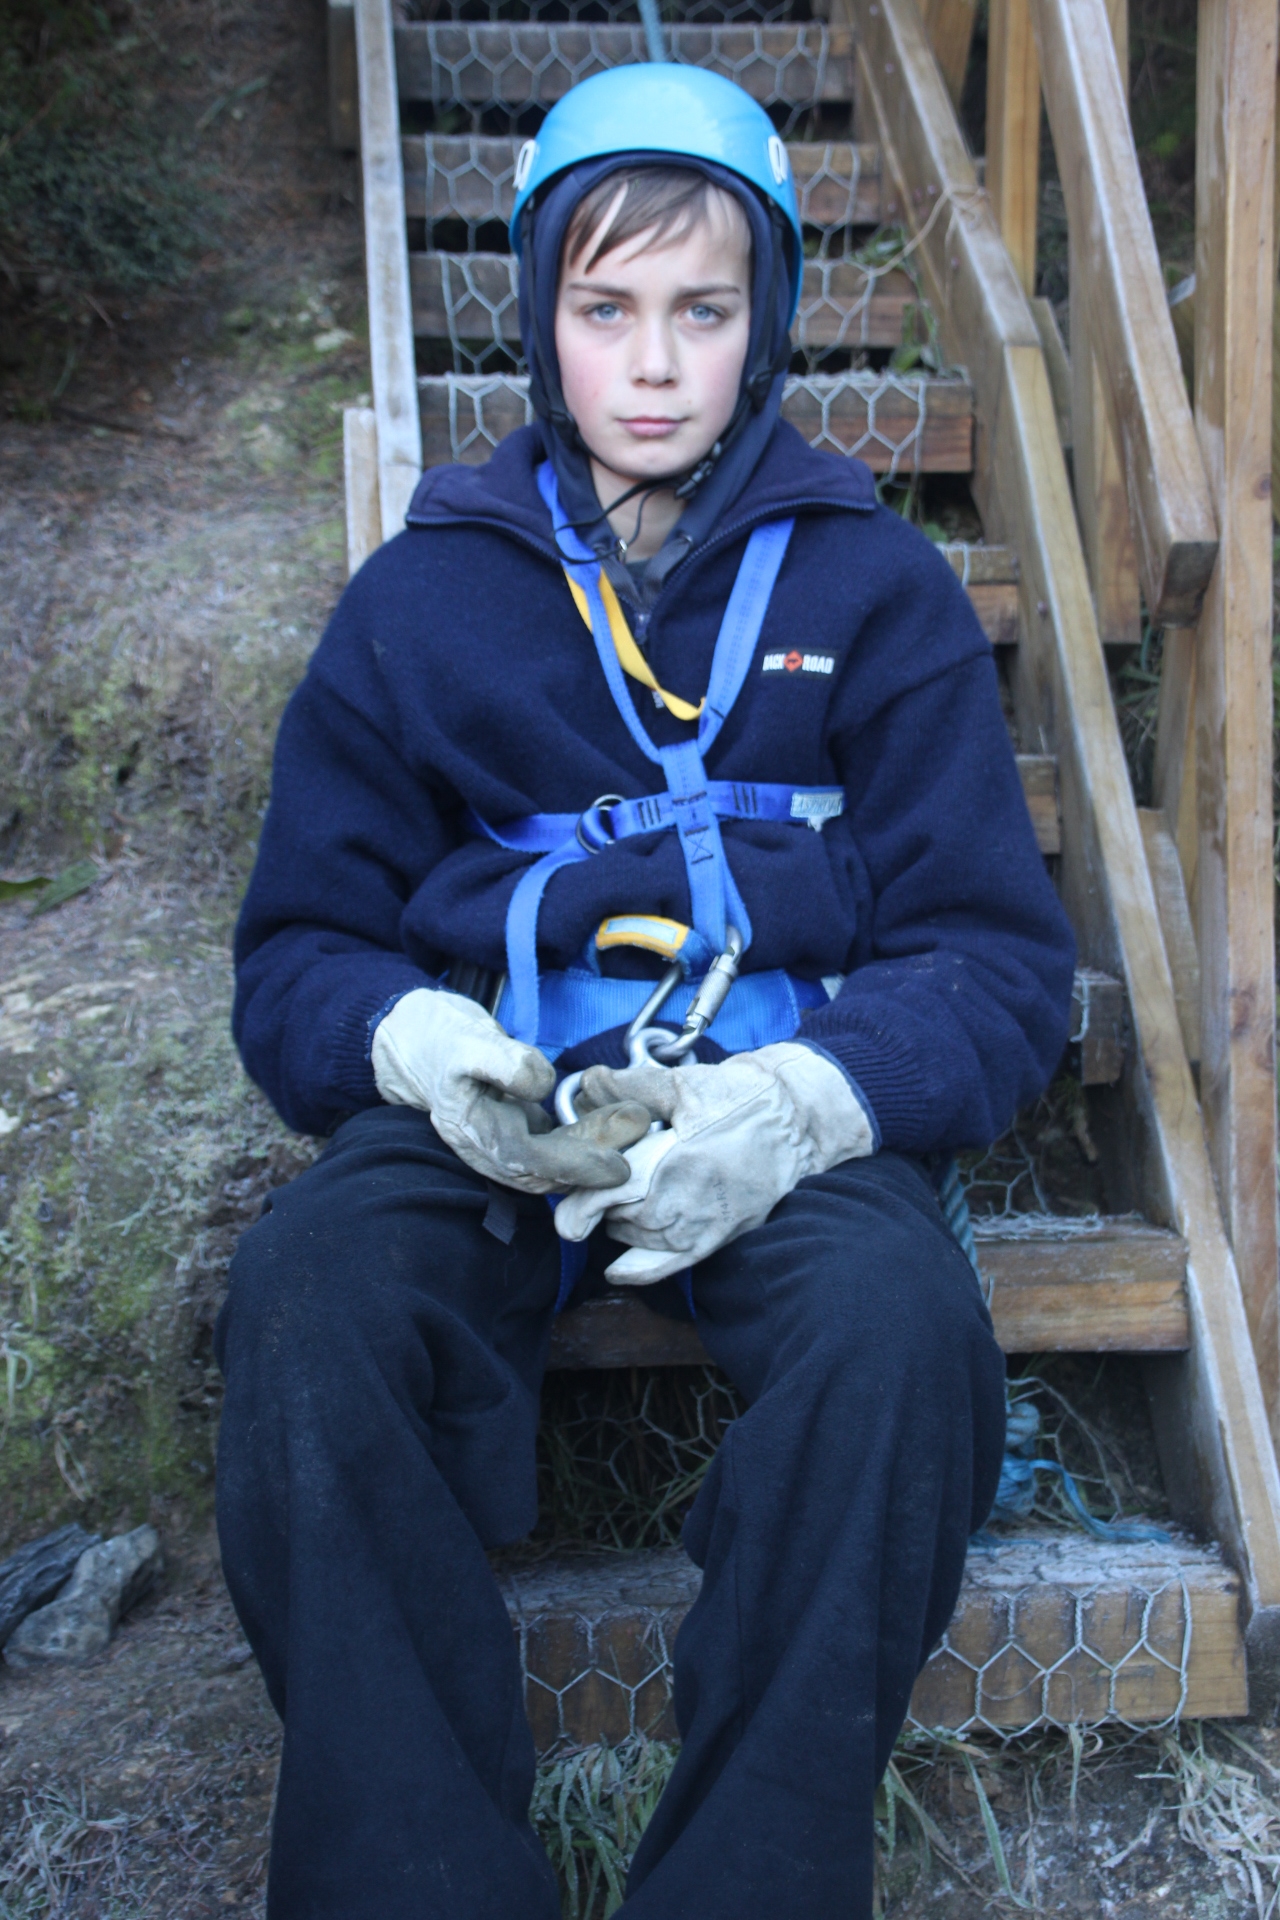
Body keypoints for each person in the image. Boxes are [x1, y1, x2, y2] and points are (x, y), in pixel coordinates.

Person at [216, 61, 1075, 1919]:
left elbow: (1002, 963)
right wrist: (415, 1044)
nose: (658, 365)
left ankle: (746, 1880)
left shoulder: (882, 588)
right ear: (541, 312)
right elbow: (297, 948)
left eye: (704, 310)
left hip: (770, 1100)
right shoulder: (420, 601)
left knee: (903, 1337)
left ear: (769, 318)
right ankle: (417, 1884)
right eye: (606, 310)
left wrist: (807, 1106)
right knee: (305, 1296)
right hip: (504, 1102)